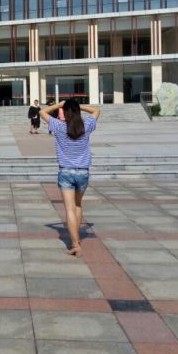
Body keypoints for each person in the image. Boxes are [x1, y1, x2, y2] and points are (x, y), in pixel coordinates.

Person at [40, 99, 100, 258]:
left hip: (66, 171)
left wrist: (59, 105)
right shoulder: (86, 126)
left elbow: (42, 112)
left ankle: (75, 244)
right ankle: (77, 237)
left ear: (65, 112)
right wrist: (78, 106)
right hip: (83, 172)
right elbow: (96, 111)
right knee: (78, 205)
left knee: (69, 208)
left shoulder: (59, 126)